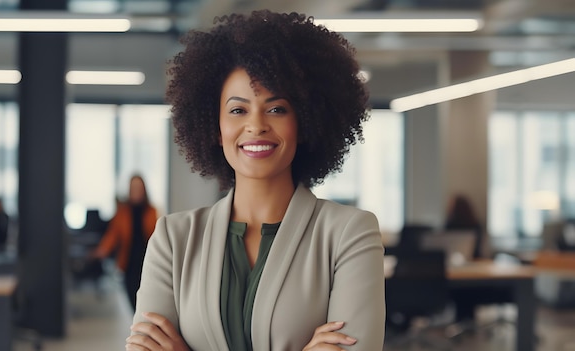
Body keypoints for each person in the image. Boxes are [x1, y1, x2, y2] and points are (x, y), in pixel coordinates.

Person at [126, 11, 385, 351]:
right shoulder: (174, 240)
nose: (257, 125)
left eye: (277, 109)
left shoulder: (349, 233)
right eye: (238, 110)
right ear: (214, 128)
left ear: (304, 123)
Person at [92, 175, 158, 310]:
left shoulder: (152, 211)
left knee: (146, 299)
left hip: (147, 261)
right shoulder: (123, 212)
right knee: (132, 298)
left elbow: (157, 236)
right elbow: (113, 235)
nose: (136, 190)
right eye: (133, 187)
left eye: (139, 187)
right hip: (129, 261)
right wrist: (102, 250)